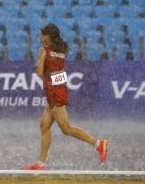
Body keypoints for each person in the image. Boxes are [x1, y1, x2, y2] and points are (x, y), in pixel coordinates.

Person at [24, 23, 107, 170]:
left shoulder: (43, 50)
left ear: (47, 36)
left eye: (42, 34)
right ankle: (41, 164)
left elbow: (39, 73)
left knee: (66, 128)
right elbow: (59, 72)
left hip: (54, 92)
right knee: (44, 126)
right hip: (57, 89)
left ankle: (98, 144)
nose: (40, 37)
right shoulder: (61, 49)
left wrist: (40, 60)